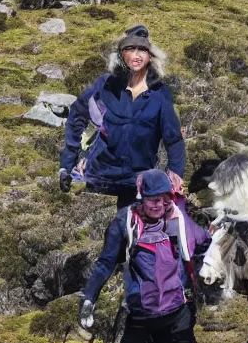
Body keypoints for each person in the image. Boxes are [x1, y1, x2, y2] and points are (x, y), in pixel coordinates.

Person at [79, 169, 211, 343]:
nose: (157, 205)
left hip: (177, 321)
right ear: (141, 197)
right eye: (152, 199)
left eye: (162, 199)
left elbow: (204, 246)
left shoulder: (179, 219)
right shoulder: (124, 223)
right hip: (142, 325)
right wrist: (89, 298)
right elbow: (105, 263)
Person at [60, 24, 185, 208]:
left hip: (136, 184)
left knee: (131, 232)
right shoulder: (106, 85)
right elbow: (77, 115)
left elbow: (173, 139)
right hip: (98, 180)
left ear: (150, 56)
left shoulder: (159, 94)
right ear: (121, 55)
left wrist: (175, 174)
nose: (137, 55)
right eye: (130, 49)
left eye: (142, 49)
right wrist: (67, 165)